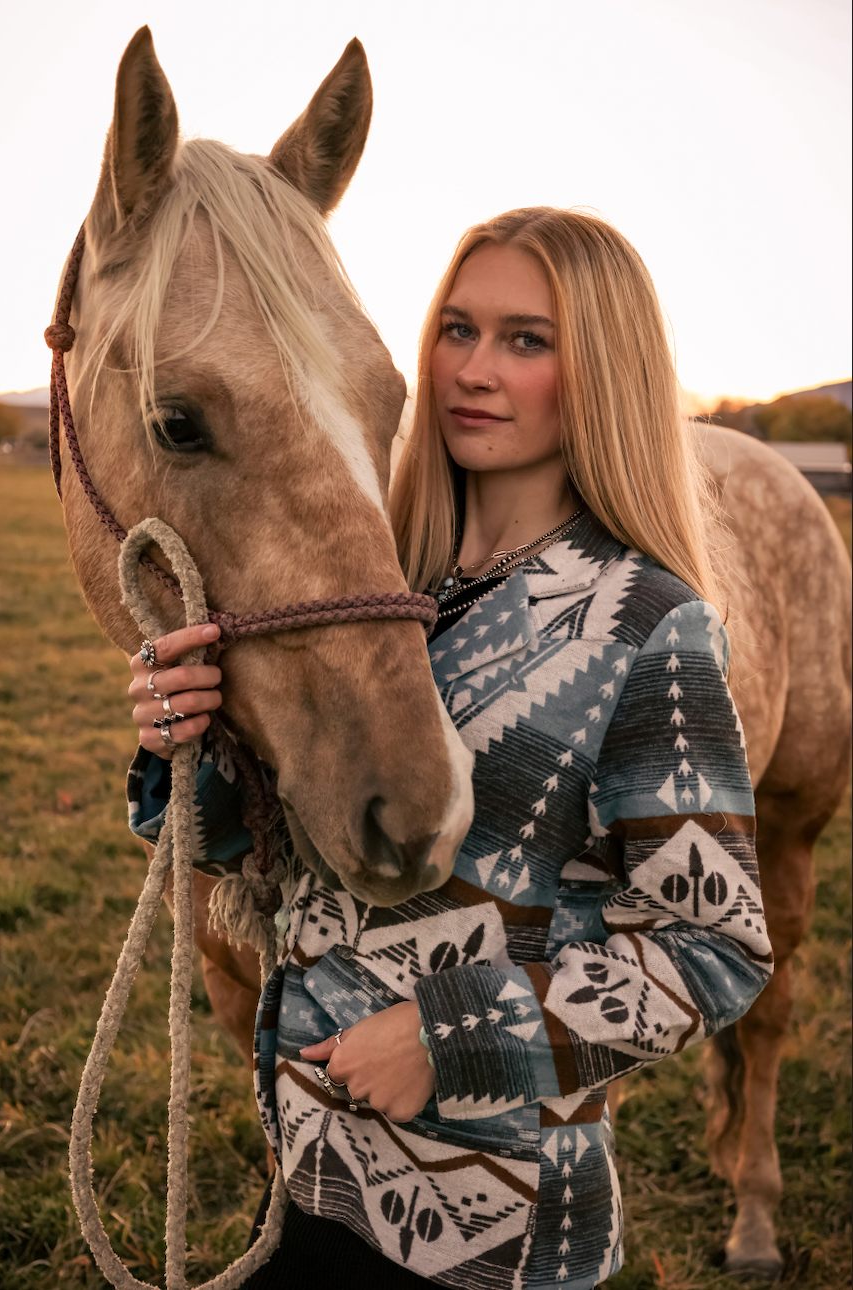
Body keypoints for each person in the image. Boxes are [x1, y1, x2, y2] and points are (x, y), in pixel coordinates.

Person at [126, 208, 772, 1289]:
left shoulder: (644, 620)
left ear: (600, 370)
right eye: (456, 329)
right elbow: (272, 858)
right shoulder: (390, 591)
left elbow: (717, 945)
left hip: (493, 1232)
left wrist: (445, 1038)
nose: (473, 369)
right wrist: (177, 746)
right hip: (309, 1173)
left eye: (527, 339)